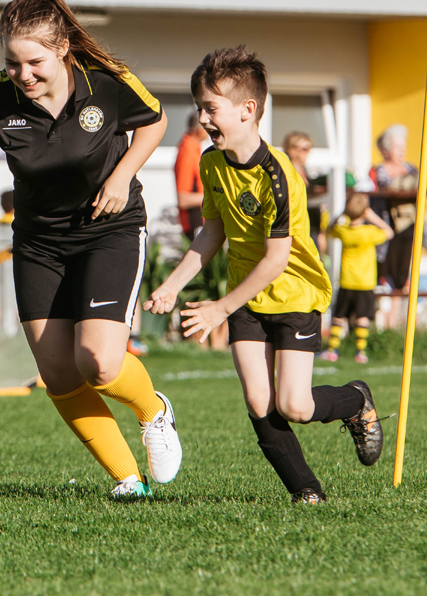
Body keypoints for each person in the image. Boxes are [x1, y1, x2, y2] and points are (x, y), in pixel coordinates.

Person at [0, 0, 180, 499]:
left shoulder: (107, 82)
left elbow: (156, 121)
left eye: (34, 63)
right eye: (12, 63)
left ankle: (154, 411)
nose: (22, 75)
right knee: (57, 371)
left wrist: (121, 177)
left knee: (97, 362)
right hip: (38, 244)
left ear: (62, 49)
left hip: (109, 230)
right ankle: (127, 481)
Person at [144, 46, 381, 505]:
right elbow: (212, 233)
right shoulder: (211, 164)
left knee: (295, 404)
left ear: (248, 110)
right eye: (199, 108)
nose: (202, 118)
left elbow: (275, 259)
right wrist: (171, 286)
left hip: (292, 292)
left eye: (211, 108)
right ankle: (307, 492)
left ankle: (355, 400)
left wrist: (218, 308)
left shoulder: (279, 175)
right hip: (246, 297)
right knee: (259, 402)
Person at [370, 125, 427, 290]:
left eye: (403, 146)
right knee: (385, 275)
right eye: (397, 147)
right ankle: (385, 315)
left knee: (401, 278)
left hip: (408, 228)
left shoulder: (410, 169)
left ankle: (397, 316)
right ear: (385, 150)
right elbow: (395, 186)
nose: (402, 151)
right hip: (387, 231)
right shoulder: (379, 171)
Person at [320, 192, 393, 363]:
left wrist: (342, 214)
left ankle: (332, 350)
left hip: (347, 280)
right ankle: (361, 352)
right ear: (365, 212)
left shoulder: (343, 231)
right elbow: (389, 232)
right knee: (362, 317)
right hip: (365, 282)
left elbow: (330, 229)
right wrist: (372, 217)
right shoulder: (369, 232)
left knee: (339, 315)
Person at [280, 131, 326, 252]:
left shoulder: (304, 169)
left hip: (312, 224)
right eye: (305, 148)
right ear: (291, 149)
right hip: (298, 226)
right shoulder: (287, 170)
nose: (308, 152)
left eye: (309, 148)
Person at [173, 113, 209, 241]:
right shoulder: (187, 151)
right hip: (194, 223)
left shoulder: (194, 148)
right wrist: (214, 196)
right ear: (199, 129)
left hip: (200, 222)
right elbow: (183, 199)